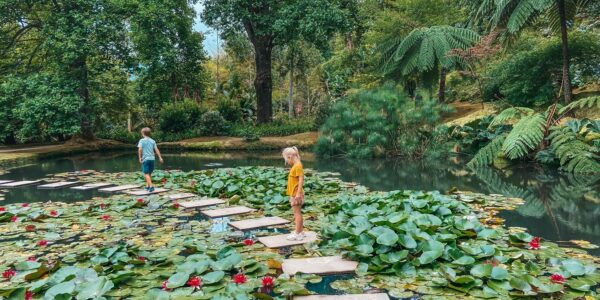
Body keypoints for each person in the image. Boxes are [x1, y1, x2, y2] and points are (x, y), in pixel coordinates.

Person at [282, 146, 305, 241]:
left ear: (290, 156)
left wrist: (298, 194)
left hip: (296, 194)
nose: (287, 162)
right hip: (294, 193)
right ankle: (301, 231)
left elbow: (301, 179)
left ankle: (297, 234)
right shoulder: (296, 166)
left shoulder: (298, 165)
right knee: (297, 213)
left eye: (287, 159)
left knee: (297, 213)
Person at [137, 127, 164, 192]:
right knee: (149, 173)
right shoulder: (153, 141)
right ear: (149, 134)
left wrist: (140, 157)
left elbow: (140, 149)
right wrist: (160, 157)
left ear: (143, 133)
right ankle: (147, 186)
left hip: (145, 159)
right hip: (152, 159)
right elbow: (156, 149)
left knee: (146, 173)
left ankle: (151, 186)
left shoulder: (142, 140)